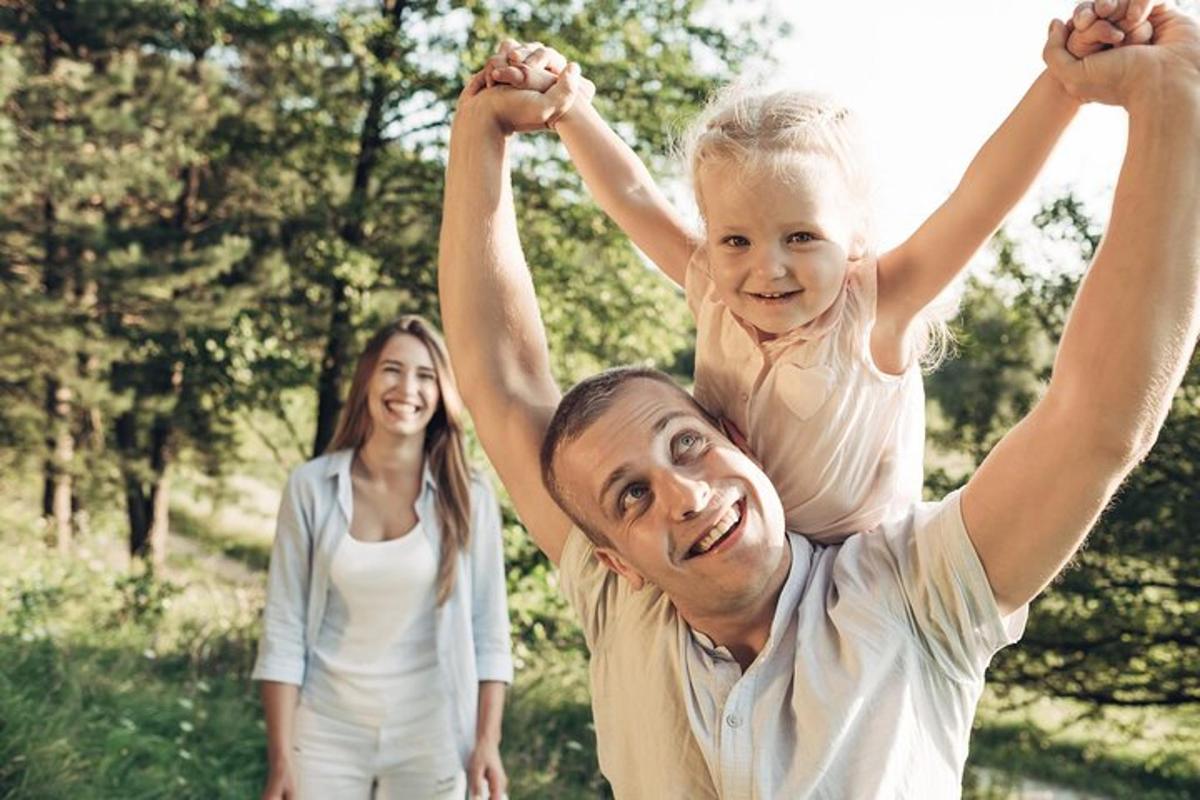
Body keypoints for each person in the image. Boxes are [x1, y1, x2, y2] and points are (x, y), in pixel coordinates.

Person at [438, 1, 1200, 797]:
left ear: (731, 431)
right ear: (611, 560)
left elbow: (1092, 414)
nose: (686, 494)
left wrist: (1132, 96)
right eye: (630, 495)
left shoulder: (907, 598)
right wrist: (498, 123)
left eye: (687, 442)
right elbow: (503, 379)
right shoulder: (627, 604)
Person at [479, 4, 1151, 545]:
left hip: (860, 575)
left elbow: (980, 198)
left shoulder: (876, 309)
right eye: (735, 239)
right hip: (742, 556)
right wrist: (568, 107)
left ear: (855, 238)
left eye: (801, 237)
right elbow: (631, 195)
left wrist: (1064, 85)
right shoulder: (711, 284)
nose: (765, 267)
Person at [252, 316, 513, 800]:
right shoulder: (310, 488)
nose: (407, 388)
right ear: (367, 379)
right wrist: (281, 758)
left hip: (431, 730)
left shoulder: (469, 494)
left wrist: (486, 743)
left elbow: (489, 630)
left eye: (426, 375)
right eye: (392, 369)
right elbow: (283, 629)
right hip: (326, 728)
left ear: (440, 393)